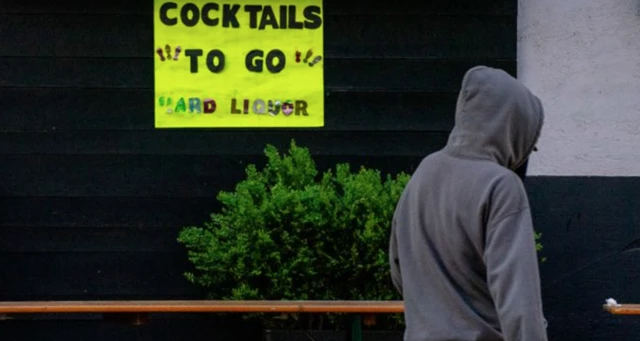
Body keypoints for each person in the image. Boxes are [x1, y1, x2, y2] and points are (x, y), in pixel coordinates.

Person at [389, 66, 548, 341]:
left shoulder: (424, 171)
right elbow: (520, 304)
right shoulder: (501, 186)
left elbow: (398, 271)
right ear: (514, 129)